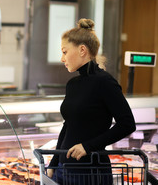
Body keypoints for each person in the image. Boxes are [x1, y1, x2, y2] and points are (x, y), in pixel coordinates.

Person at [47, 18, 136, 185]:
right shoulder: (73, 84)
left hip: (91, 172)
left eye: (65, 52)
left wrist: (87, 146)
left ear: (82, 50)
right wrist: (54, 163)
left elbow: (127, 124)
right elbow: (68, 126)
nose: (62, 58)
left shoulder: (104, 82)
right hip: (64, 169)